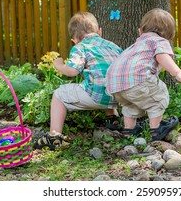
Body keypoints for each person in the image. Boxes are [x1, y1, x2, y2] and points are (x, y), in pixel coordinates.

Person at [33, 11, 123, 150]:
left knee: (59, 94)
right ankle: (112, 118)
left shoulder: (80, 47)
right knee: (106, 76)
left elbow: (72, 71)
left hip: (97, 96)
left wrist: (59, 65)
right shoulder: (113, 46)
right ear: (100, 31)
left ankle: (54, 136)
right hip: (121, 96)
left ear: (74, 39)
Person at [106, 8, 181, 141]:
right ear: (169, 34)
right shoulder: (159, 41)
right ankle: (156, 129)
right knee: (159, 95)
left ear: (140, 30)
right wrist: (178, 73)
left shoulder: (136, 44)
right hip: (138, 80)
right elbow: (161, 56)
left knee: (131, 104)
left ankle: (129, 131)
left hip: (115, 85)